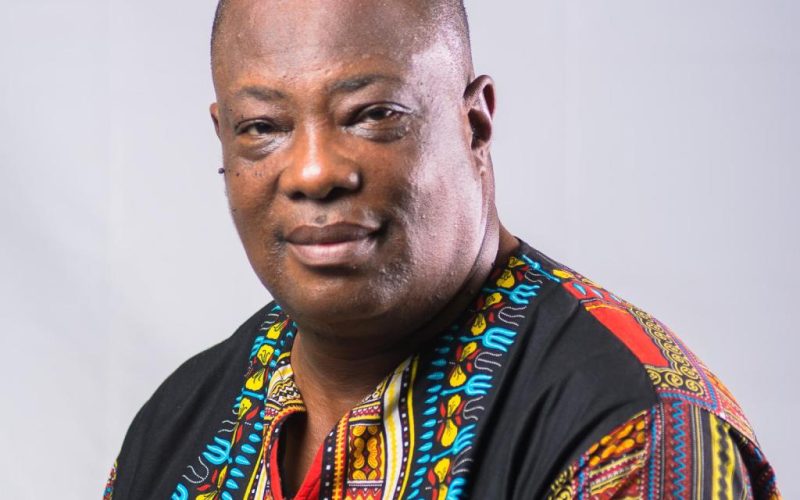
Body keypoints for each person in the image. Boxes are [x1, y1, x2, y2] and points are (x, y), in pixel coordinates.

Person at [105, 1, 781, 498]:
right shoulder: (179, 423)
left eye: (373, 114)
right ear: (223, 141)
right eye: (262, 127)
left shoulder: (632, 432)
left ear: (474, 125)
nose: (313, 171)